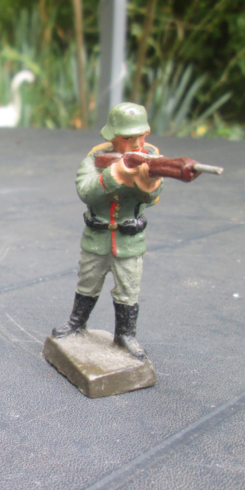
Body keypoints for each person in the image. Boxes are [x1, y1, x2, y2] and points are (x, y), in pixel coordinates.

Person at [52, 102, 163, 359]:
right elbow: (86, 191)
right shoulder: (95, 159)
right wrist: (116, 174)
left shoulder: (151, 158)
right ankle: (77, 323)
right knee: (87, 282)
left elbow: (153, 198)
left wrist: (147, 179)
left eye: (141, 136)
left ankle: (125, 334)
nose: (137, 143)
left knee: (128, 289)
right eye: (128, 138)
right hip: (97, 237)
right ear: (113, 136)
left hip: (129, 240)